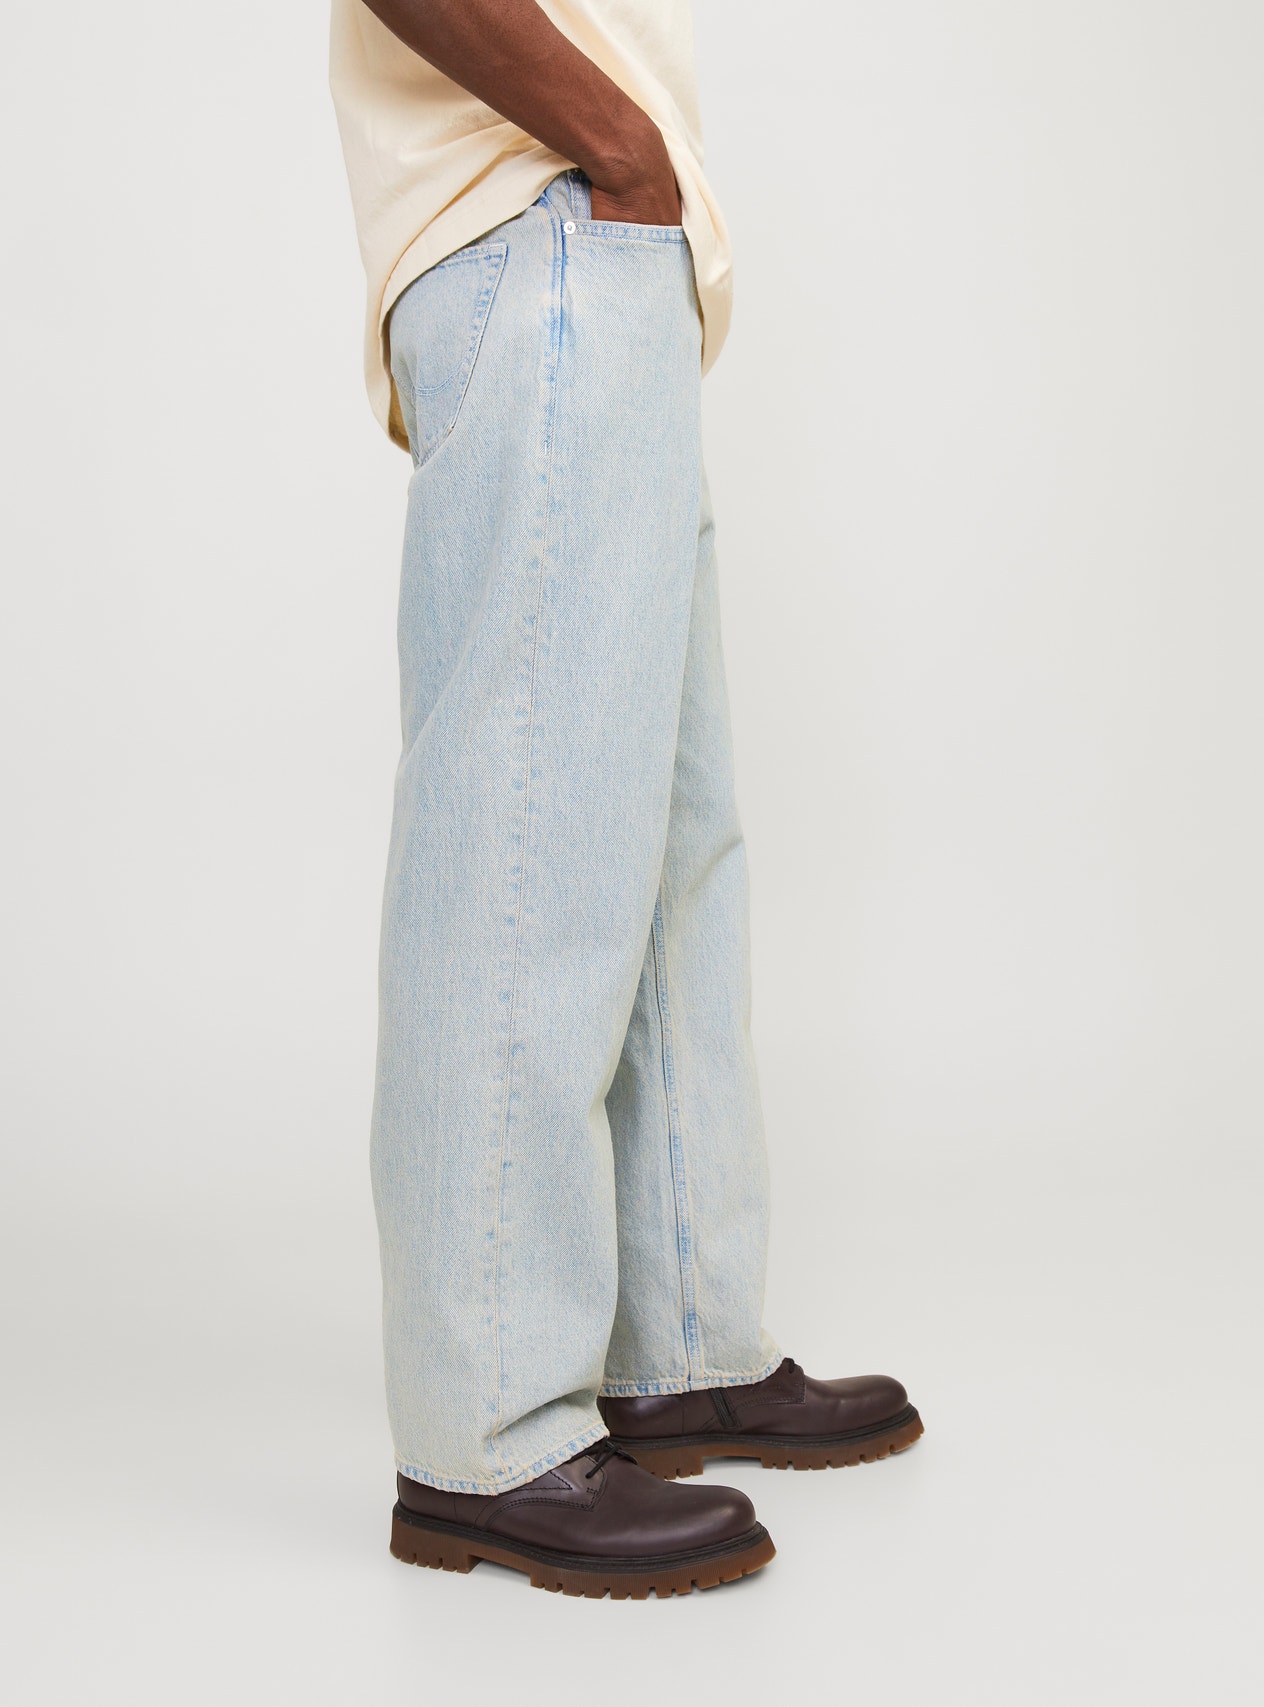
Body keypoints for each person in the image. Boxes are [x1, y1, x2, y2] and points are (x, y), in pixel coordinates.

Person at [330, 0, 922, 1599]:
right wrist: (617, 143)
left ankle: (682, 1346)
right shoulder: (569, 185)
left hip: (598, 248)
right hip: (536, 222)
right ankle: (485, 1429)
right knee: (524, 842)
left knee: (657, 834)